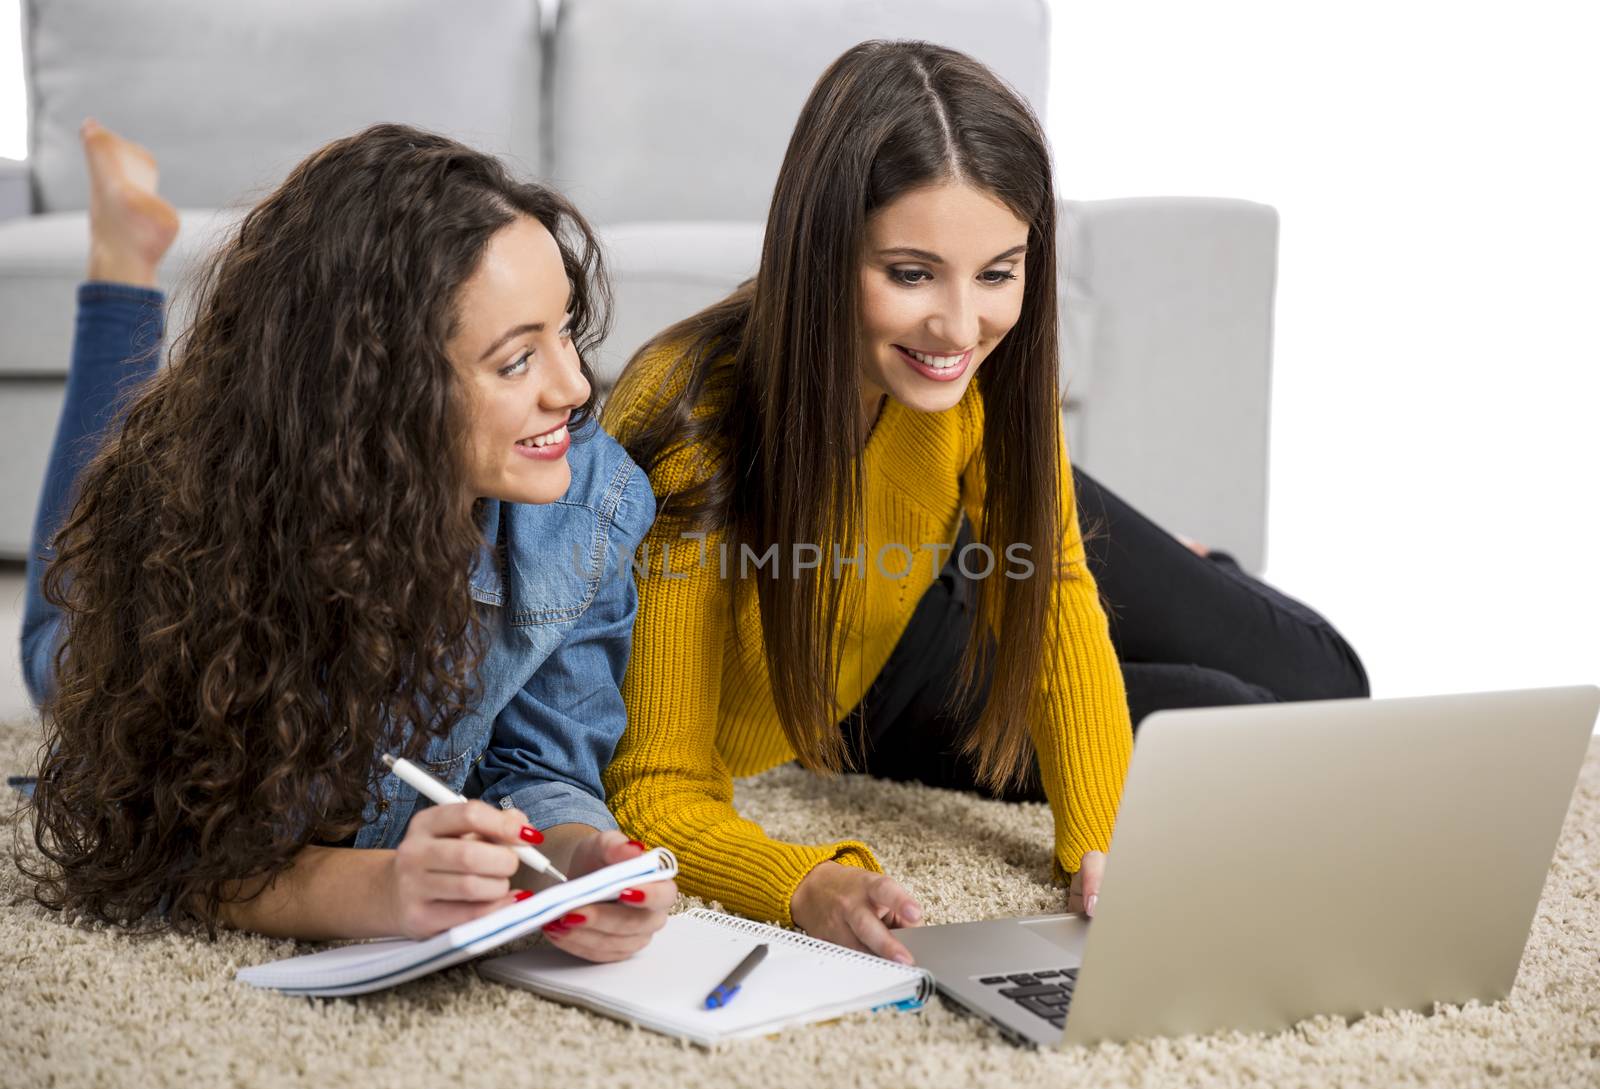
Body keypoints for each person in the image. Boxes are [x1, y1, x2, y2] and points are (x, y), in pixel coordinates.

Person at [601, 41, 1367, 963]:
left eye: (997, 273)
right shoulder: (688, 411)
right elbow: (655, 787)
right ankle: (1159, 563)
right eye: (912, 274)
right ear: (823, 248)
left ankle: (1185, 562)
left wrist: (1103, 840)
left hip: (964, 544)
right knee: (1234, 721)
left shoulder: (984, 367)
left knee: (1330, 683)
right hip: (859, 692)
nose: (961, 329)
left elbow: (1054, 611)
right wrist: (797, 881)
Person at [18, 120, 676, 955]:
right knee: (55, 635)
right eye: (515, 362)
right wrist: (381, 891)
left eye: (567, 330)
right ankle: (122, 261)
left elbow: (545, 772)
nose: (576, 387)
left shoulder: (593, 505)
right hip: (125, 626)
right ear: (382, 390)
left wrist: (582, 861)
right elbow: (168, 851)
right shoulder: (221, 548)